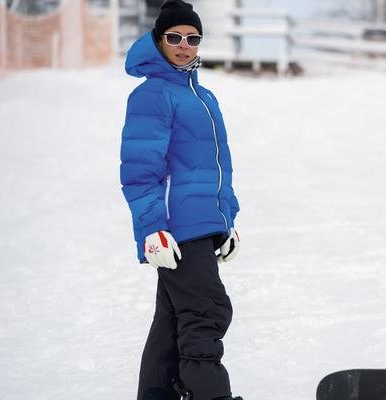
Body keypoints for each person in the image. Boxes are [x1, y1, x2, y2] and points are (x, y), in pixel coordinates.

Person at [120, 1, 243, 399]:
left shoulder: (201, 94)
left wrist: (227, 221)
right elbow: (140, 172)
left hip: (202, 224)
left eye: (192, 38)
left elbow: (214, 165)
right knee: (207, 310)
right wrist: (152, 227)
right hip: (176, 225)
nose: (184, 45)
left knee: (172, 318)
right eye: (174, 37)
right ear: (158, 40)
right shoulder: (153, 94)